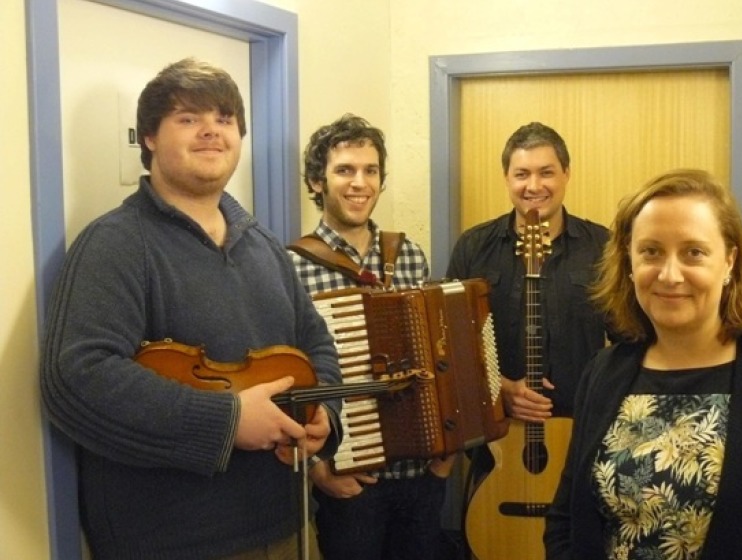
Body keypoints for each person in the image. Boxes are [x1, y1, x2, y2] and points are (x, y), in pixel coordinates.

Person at [39, 58, 342, 560]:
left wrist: (324, 416)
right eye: (188, 118)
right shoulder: (114, 243)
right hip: (172, 541)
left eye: (224, 119)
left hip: (285, 525)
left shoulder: (264, 245)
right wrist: (226, 422)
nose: (211, 132)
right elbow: (77, 378)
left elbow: (317, 349)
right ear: (150, 138)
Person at [544, 169, 742, 559]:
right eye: (651, 251)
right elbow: (567, 519)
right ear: (630, 262)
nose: (669, 274)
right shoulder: (602, 372)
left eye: (693, 252)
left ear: (730, 261)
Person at [288, 114, 454, 560]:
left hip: (421, 475)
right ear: (317, 181)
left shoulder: (409, 255)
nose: (359, 182)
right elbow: (290, 378)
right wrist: (318, 471)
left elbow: (438, 354)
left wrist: (446, 453)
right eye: (345, 170)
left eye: (371, 170)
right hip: (349, 480)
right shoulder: (291, 265)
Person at [447, 121, 613, 424]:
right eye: (522, 174)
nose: (534, 186)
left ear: (567, 173)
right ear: (506, 178)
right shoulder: (473, 247)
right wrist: (501, 389)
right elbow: (450, 345)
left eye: (546, 172)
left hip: (582, 426)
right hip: (494, 430)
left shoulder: (603, 246)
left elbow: (628, 342)